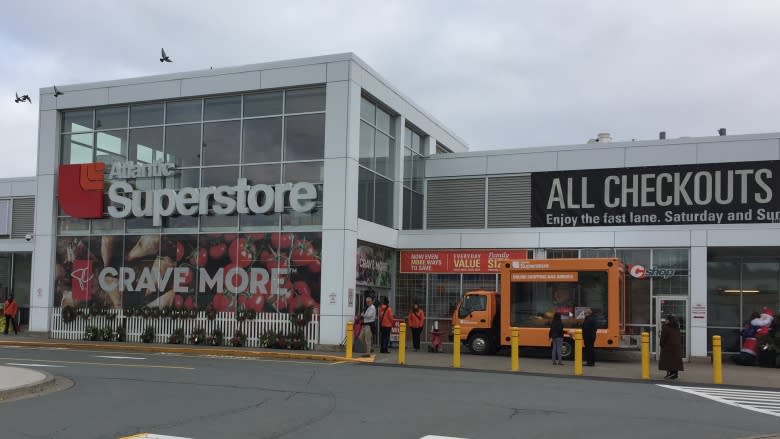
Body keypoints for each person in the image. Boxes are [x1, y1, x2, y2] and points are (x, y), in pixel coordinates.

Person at [659, 314, 684, 379]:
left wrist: (661, 344)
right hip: (676, 348)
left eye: (666, 319)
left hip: (668, 347)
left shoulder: (665, 327)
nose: (665, 321)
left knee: (668, 361)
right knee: (674, 361)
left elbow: (663, 338)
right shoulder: (676, 327)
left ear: (669, 320)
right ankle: (674, 373)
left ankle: (671, 373)